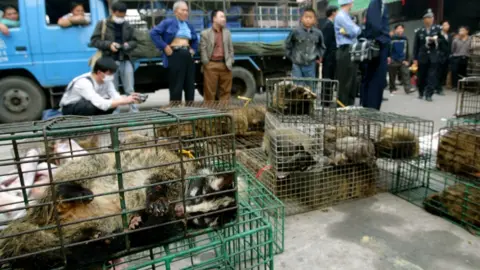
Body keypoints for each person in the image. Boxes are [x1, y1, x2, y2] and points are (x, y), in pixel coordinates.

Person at [90, 1, 138, 112]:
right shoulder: (103, 24)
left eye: (123, 16)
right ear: (112, 12)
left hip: (125, 59)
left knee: (130, 88)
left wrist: (128, 45)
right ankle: (114, 112)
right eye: (118, 16)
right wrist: (109, 45)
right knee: (112, 89)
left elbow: (134, 41)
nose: (120, 18)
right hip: (109, 61)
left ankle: (134, 110)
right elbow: (94, 41)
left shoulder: (128, 25)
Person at [150, 1, 199, 102]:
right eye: (183, 10)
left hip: (188, 55)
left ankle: (190, 111)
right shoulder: (168, 22)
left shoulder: (188, 24)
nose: (186, 13)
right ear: (176, 11)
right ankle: (176, 111)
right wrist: (164, 46)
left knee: (190, 84)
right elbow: (153, 33)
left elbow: (195, 39)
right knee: (177, 85)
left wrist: (193, 49)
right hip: (175, 54)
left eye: (187, 10)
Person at [59, 57, 140, 116]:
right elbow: (100, 103)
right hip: (70, 108)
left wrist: (130, 98)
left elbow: (115, 96)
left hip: (87, 104)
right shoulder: (83, 82)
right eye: (110, 74)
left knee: (112, 103)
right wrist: (123, 101)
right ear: (99, 72)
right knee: (91, 106)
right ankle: (82, 128)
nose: (112, 76)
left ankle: (96, 124)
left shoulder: (106, 80)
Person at [285, 7, 325, 90]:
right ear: (301, 18)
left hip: (311, 65)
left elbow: (322, 47)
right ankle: (299, 103)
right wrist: (292, 58)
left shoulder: (318, 33)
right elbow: (287, 45)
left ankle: (311, 103)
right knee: (297, 88)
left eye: (310, 17)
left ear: (314, 20)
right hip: (297, 65)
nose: (308, 20)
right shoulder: (295, 31)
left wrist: (318, 56)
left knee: (311, 89)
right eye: (306, 17)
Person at [361, 0, 390, 110]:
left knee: (375, 79)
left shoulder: (381, 4)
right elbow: (374, 25)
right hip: (378, 45)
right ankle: (371, 108)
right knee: (376, 80)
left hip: (379, 44)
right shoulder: (376, 3)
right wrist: (383, 38)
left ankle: (371, 107)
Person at [200, 10, 234, 102]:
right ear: (214, 18)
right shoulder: (205, 33)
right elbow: (202, 50)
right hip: (211, 65)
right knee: (209, 93)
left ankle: (224, 114)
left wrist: (230, 61)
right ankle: (210, 114)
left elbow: (231, 49)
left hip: (225, 65)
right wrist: (207, 64)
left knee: (226, 92)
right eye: (221, 16)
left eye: (224, 17)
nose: (224, 19)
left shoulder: (227, 33)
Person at [334, 0, 361, 107]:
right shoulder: (342, 16)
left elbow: (352, 31)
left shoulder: (345, 16)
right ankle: (342, 107)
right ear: (350, 3)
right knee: (345, 81)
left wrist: (354, 28)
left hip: (349, 49)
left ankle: (348, 105)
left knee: (352, 79)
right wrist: (356, 27)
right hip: (345, 50)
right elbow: (354, 31)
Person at [413, 9, 442, 102]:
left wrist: (436, 40)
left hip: (433, 56)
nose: (430, 19)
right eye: (427, 17)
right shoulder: (419, 31)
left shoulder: (437, 30)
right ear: (424, 19)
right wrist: (415, 58)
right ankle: (421, 92)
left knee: (432, 76)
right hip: (422, 57)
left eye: (431, 17)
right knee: (421, 75)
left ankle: (429, 94)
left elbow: (443, 42)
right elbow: (416, 46)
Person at [388, 24, 415, 94]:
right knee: (392, 75)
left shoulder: (405, 38)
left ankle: (408, 89)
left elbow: (407, 49)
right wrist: (388, 57)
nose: (400, 30)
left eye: (401, 28)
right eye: (398, 28)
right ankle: (392, 88)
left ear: (403, 30)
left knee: (406, 73)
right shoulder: (392, 38)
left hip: (402, 60)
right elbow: (388, 49)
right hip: (393, 59)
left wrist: (407, 60)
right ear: (395, 30)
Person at [451, 26, 471, 90]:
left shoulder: (470, 39)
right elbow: (453, 49)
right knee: (455, 71)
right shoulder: (455, 40)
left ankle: (463, 87)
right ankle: (455, 86)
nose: (461, 32)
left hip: (466, 57)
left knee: (463, 72)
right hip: (456, 57)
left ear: (467, 31)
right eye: (460, 30)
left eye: (462, 30)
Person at [321, 5, 338, 81]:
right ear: (333, 13)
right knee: (328, 78)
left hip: (330, 56)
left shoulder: (330, 24)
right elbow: (325, 42)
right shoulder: (328, 25)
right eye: (337, 11)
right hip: (329, 57)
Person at [437, 20, 453, 94]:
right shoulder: (438, 34)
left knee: (444, 73)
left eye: (447, 25)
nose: (446, 26)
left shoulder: (449, 36)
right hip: (440, 56)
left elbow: (450, 47)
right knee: (438, 73)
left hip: (447, 57)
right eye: (444, 25)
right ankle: (438, 88)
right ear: (441, 26)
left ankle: (439, 86)